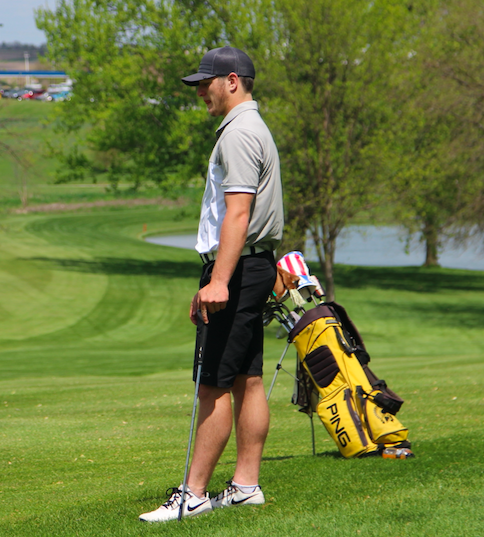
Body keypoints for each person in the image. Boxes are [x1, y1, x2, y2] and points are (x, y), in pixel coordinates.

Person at [139, 46, 284, 523]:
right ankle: (245, 486)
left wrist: (218, 280)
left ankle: (194, 493)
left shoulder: (238, 134)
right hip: (248, 267)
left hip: (238, 270)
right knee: (248, 377)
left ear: (233, 81)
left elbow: (238, 213)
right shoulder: (251, 128)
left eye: (207, 82)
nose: (201, 91)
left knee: (214, 384)